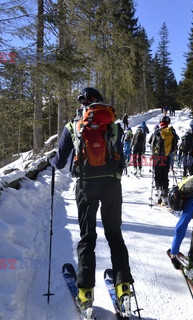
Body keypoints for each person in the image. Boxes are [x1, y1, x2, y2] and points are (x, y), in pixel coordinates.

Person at [50, 87, 133, 318]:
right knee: (115, 236)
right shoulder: (113, 125)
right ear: (100, 103)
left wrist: (51, 160)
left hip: (86, 186)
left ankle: (85, 295)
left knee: (88, 238)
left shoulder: (73, 126)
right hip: (112, 186)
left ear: (83, 104)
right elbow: (120, 157)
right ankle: (123, 290)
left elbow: (59, 161)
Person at [150, 115, 178, 205]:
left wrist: (153, 155)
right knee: (165, 176)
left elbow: (151, 143)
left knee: (157, 175)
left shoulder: (157, 131)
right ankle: (165, 195)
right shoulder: (172, 132)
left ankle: (159, 191)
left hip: (158, 158)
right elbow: (176, 144)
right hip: (167, 157)